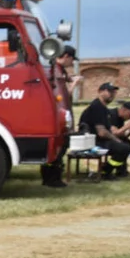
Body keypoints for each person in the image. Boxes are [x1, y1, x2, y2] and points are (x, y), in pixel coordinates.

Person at [39, 45, 81, 188]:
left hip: (60, 115)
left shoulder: (58, 69)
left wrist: (69, 78)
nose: (72, 63)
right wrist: (75, 83)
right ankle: (52, 179)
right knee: (58, 149)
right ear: (67, 56)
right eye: (72, 60)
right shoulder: (56, 70)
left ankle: (52, 178)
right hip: (59, 116)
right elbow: (64, 95)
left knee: (59, 148)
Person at [78, 82, 130, 180]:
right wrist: (116, 139)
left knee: (126, 143)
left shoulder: (103, 107)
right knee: (124, 148)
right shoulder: (97, 106)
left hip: (97, 139)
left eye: (114, 92)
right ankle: (106, 170)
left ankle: (114, 169)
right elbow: (101, 132)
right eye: (109, 91)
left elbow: (108, 128)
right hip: (92, 141)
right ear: (100, 92)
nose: (112, 94)